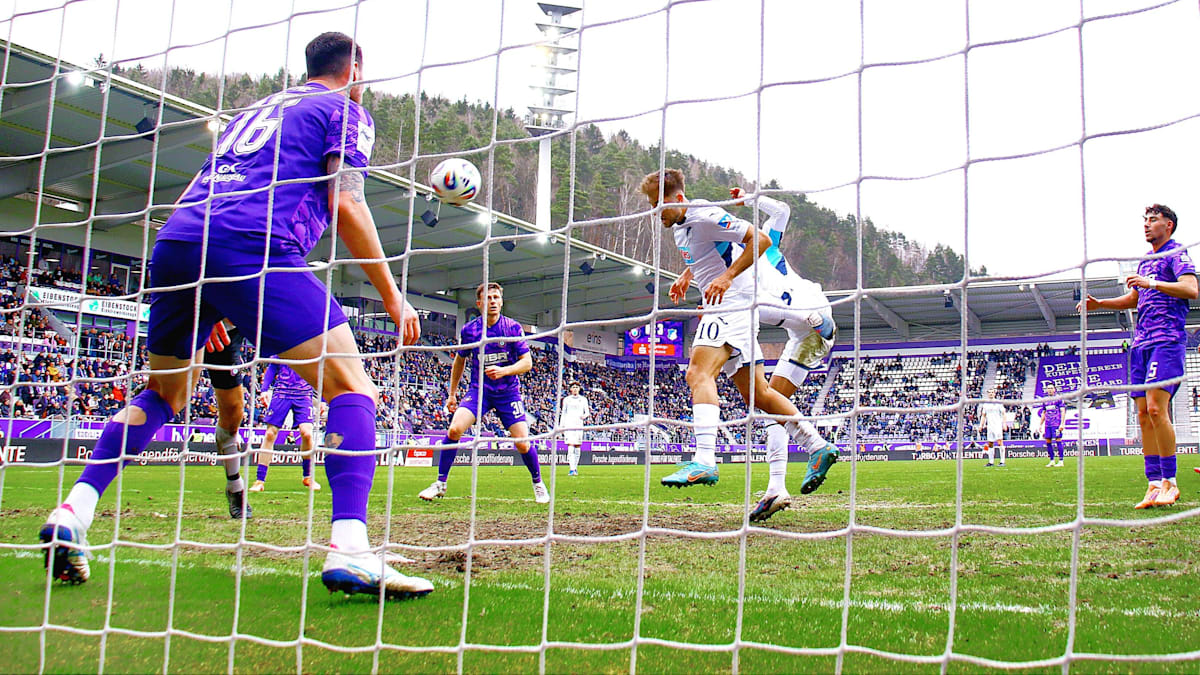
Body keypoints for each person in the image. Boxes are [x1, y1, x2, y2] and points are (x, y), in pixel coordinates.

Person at [38, 32, 432, 599]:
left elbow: (209, 186)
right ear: (355, 69)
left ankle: (74, 511)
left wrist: (208, 291)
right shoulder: (344, 109)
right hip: (253, 244)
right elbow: (346, 201)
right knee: (354, 388)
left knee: (164, 395)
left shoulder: (259, 109)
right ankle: (351, 547)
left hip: (179, 243)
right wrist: (393, 297)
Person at [640, 169, 838, 522]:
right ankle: (815, 447)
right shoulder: (683, 226)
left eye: (659, 204)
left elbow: (761, 235)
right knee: (759, 395)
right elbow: (711, 251)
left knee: (698, 372)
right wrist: (689, 277)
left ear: (678, 198)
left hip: (766, 308)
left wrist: (727, 274)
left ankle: (704, 460)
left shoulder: (707, 215)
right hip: (751, 310)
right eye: (651, 205)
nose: (655, 211)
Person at [1078, 204, 1196, 508]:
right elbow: (1134, 297)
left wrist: (1152, 283)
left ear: (1168, 225)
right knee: (1143, 415)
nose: (1146, 225)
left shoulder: (1175, 253)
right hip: (1141, 344)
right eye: (1145, 220)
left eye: (1153, 220)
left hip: (1166, 340)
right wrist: (1100, 303)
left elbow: (1191, 289)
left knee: (1157, 410)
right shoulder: (1146, 261)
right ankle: (1154, 484)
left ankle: (1171, 481)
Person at [418, 283, 549, 504]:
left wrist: (504, 371)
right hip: (480, 391)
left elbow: (527, 363)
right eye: (488, 298)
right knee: (454, 429)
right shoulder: (470, 330)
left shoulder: (512, 328)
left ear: (502, 301)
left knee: (523, 443)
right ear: (479, 303)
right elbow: (460, 360)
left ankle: (538, 484)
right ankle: (440, 483)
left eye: (496, 297)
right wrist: (452, 394)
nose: (493, 301)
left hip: (508, 393)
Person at [203, 322, 253, 519]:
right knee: (164, 397)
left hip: (227, 328)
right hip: (186, 314)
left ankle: (235, 487)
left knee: (233, 412)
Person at [249, 360, 322, 492]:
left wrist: (322, 399)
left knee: (307, 433)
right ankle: (259, 480)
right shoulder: (284, 342)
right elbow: (272, 366)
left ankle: (308, 476)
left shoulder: (311, 344)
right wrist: (264, 390)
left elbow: (319, 370)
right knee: (270, 433)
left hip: (304, 395)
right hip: (281, 393)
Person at [559, 381, 591, 476]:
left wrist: (584, 416)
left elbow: (587, 412)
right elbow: (563, 413)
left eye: (577, 387)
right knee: (570, 445)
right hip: (569, 425)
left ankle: (575, 468)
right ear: (570, 389)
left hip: (579, 425)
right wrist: (562, 426)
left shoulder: (583, 399)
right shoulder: (567, 399)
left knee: (577, 446)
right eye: (573, 387)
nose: (575, 389)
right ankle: (571, 468)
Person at [1037, 381, 1065, 468]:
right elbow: (1043, 413)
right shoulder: (1045, 400)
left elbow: (1063, 411)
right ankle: (1052, 460)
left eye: (1051, 388)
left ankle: (1061, 461)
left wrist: (1062, 424)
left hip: (1056, 423)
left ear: (1054, 389)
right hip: (1047, 424)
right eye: (1048, 388)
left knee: (1058, 440)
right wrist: (1040, 425)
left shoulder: (1059, 399)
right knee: (1048, 441)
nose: (1049, 390)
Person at [979, 389, 1006, 467]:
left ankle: (1002, 461)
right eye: (989, 392)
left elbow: (1004, 414)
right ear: (988, 394)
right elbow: (983, 416)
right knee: (990, 443)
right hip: (990, 426)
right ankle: (991, 462)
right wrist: (981, 425)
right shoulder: (985, 404)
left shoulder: (998, 403)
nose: (991, 394)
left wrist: (1004, 424)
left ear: (995, 393)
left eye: (992, 392)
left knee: (1000, 442)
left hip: (997, 425)